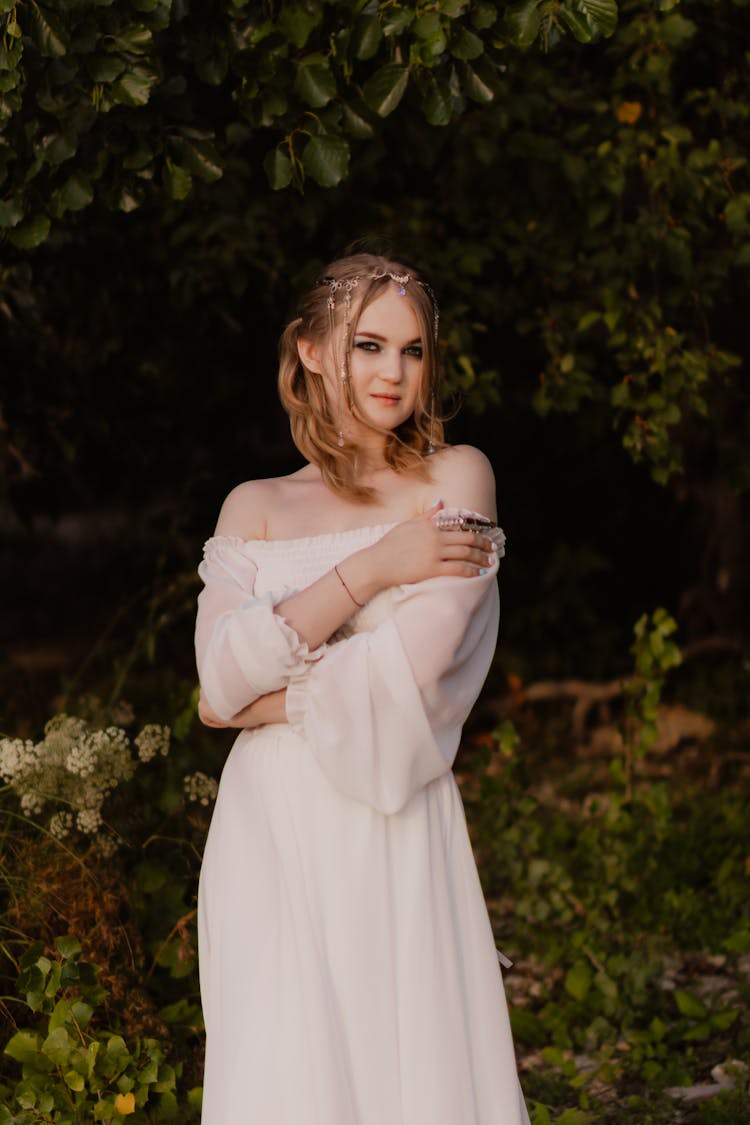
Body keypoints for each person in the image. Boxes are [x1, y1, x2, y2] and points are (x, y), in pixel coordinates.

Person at [194, 252, 530, 1124]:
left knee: (407, 1067)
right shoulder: (253, 505)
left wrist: (254, 699)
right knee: (281, 1069)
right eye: (370, 345)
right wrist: (374, 566)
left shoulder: (457, 480)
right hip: (269, 828)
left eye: (413, 351)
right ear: (310, 350)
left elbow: (412, 676)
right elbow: (218, 674)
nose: (394, 373)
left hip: (393, 812)